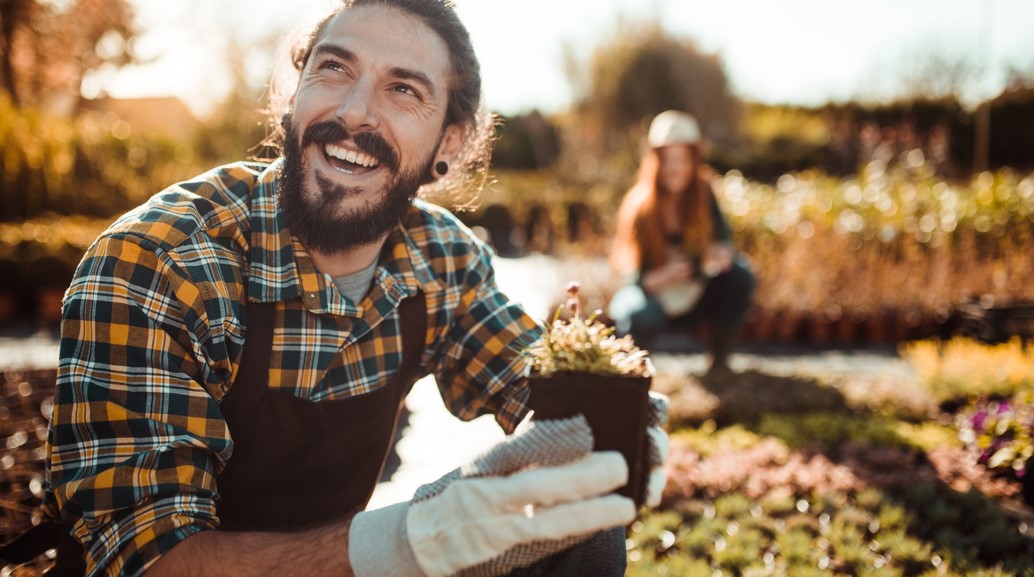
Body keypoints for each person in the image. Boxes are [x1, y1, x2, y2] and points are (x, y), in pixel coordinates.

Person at [18, 2, 668, 576]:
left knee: (579, 522)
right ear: (293, 94)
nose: (355, 111)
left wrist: (622, 422)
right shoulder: (162, 262)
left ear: (449, 142)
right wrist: (401, 542)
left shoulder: (442, 259)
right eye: (333, 69)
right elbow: (148, 561)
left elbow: (539, 389)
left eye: (403, 90)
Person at [608, 110, 755, 382]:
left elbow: (724, 242)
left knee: (741, 274)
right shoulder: (640, 205)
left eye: (683, 160)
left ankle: (719, 365)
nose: (675, 168)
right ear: (655, 161)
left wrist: (720, 255)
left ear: (694, 160)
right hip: (651, 295)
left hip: (693, 293)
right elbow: (632, 275)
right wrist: (666, 276)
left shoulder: (704, 194)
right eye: (667, 160)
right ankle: (633, 377)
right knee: (639, 315)